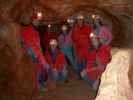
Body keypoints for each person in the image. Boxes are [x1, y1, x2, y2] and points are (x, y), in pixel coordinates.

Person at [21, 12, 49, 93]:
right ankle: (39, 86)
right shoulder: (27, 29)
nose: (37, 22)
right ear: (32, 20)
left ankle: (42, 82)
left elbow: (38, 44)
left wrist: (40, 53)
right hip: (33, 53)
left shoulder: (36, 31)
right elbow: (26, 42)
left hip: (37, 53)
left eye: (38, 21)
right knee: (38, 69)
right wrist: (35, 54)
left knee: (43, 68)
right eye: (36, 20)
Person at [71, 14, 92, 79]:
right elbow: (74, 38)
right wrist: (82, 36)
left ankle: (87, 74)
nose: (80, 21)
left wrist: (80, 37)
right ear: (77, 21)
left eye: (81, 20)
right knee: (79, 61)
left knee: (86, 61)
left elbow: (89, 36)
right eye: (78, 20)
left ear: (83, 21)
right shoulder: (75, 29)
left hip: (86, 47)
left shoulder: (87, 28)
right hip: (78, 48)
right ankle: (80, 75)